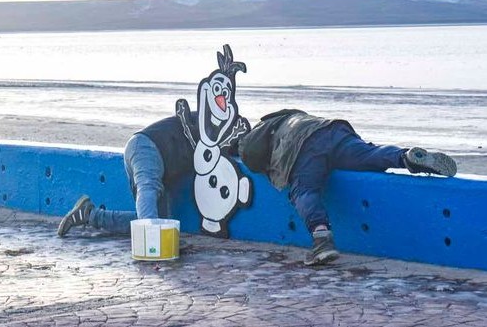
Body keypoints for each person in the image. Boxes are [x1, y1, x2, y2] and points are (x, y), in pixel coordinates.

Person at [238, 108, 457, 266]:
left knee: (303, 191)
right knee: (368, 155)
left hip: (303, 145)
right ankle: (405, 157)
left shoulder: (252, 139)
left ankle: (321, 240)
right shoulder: (278, 118)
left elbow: (257, 160)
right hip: (332, 128)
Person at [57, 114, 196, 237]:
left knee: (155, 220)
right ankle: (152, 242)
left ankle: (89, 215)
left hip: (150, 154)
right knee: (148, 188)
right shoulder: (209, 119)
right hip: (147, 146)